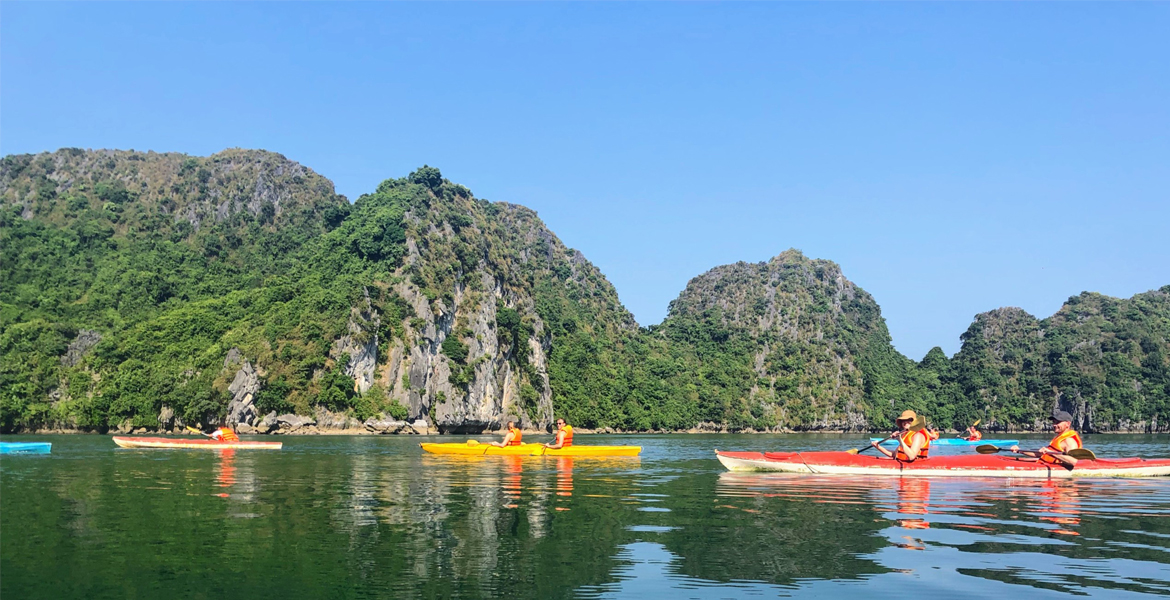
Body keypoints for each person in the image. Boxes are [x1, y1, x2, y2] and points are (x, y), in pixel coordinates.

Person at [1011, 410, 1082, 468]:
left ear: (1068, 424)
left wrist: (1049, 452)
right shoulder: (1059, 437)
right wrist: (1020, 450)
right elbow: (1039, 454)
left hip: (1058, 476)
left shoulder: (1069, 441)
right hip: (1044, 463)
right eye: (1054, 422)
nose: (1054, 425)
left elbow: (1073, 461)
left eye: (1058, 422)